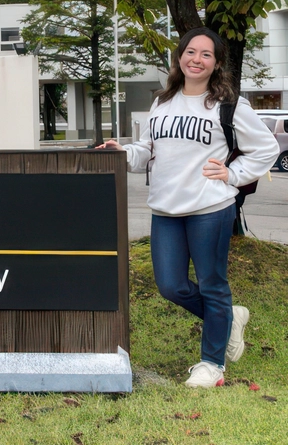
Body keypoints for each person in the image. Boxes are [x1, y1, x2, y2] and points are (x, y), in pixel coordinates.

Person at [97, 27, 279, 388]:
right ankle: (228, 318)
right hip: (165, 208)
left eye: (206, 54)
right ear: (179, 57)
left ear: (217, 63)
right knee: (171, 286)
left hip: (210, 206)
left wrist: (233, 174)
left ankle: (212, 365)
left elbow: (266, 149)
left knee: (212, 285)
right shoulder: (162, 101)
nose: (197, 59)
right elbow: (148, 150)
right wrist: (123, 152)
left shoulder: (229, 104)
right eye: (191, 52)